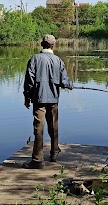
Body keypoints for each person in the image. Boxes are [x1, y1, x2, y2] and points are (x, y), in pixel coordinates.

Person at [23, 34, 73, 169]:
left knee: (38, 129)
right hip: (53, 99)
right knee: (53, 126)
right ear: (53, 45)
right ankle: (54, 152)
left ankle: (37, 160)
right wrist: (69, 84)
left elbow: (29, 81)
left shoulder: (35, 59)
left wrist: (27, 96)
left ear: (41, 44)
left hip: (38, 99)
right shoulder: (58, 60)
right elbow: (64, 81)